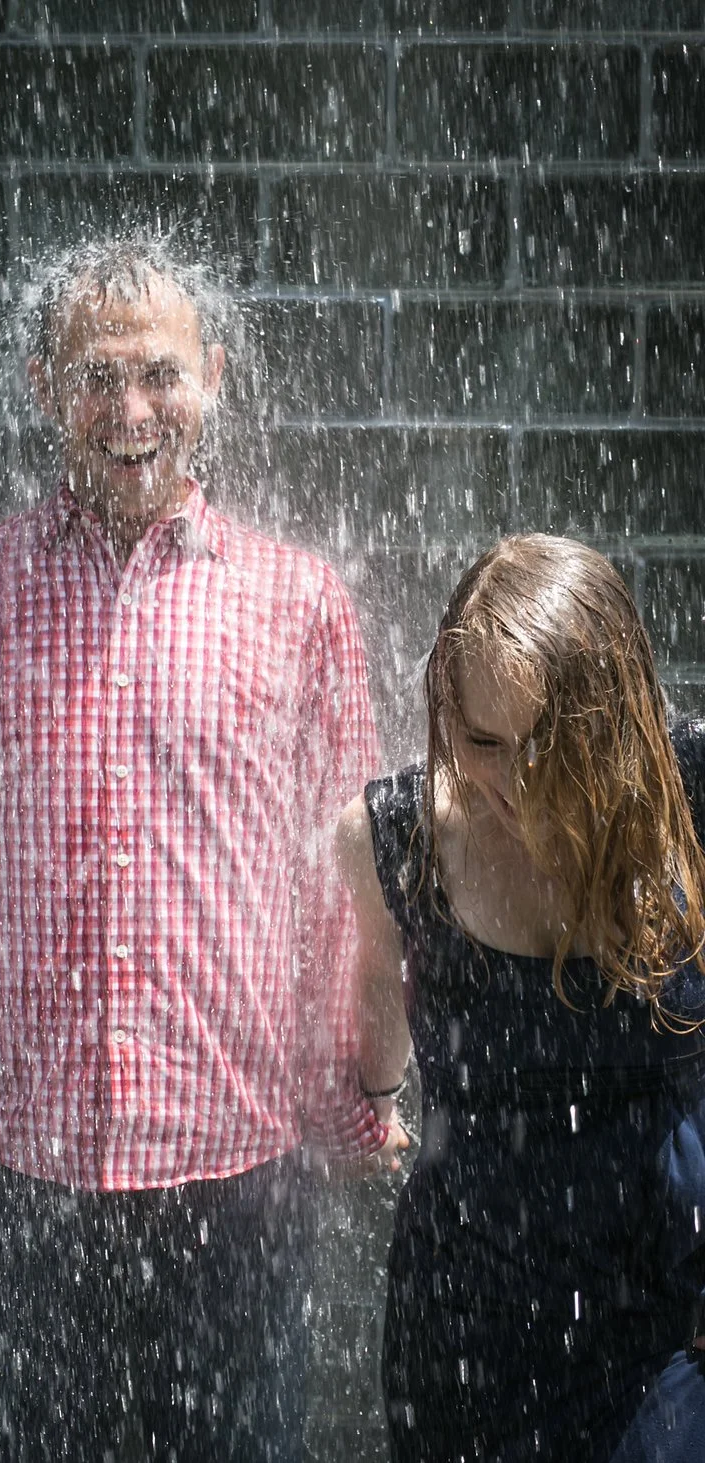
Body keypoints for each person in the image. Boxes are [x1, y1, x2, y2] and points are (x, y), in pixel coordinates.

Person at [0, 236, 397, 1462]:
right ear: (44, 386)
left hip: (238, 1159)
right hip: (14, 1160)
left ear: (212, 378)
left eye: (158, 373)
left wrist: (350, 1092)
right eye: (96, 377)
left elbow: (345, 883)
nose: (130, 410)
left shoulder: (299, 601)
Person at [338, 533, 705, 1463]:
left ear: (617, 710)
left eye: (555, 742)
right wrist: (375, 1097)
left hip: (667, 1313)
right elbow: (378, 981)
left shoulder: (693, 799)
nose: (518, 780)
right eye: (483, 742)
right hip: (466, 1322)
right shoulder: (398, 839)